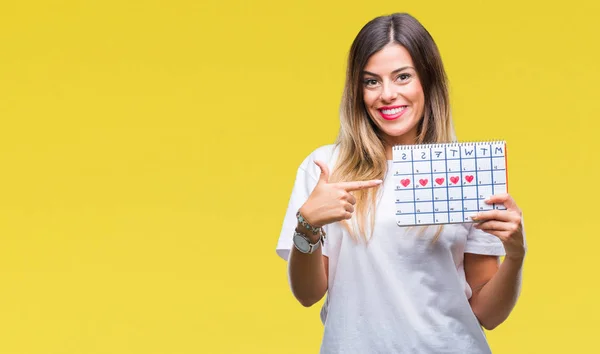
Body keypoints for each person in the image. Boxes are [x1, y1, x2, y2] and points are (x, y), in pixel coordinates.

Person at [275, 12, 526, 354]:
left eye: (403, 77)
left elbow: (488, 313)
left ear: (428, 81)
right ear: (357, 90)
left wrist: (514, 255)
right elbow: (308, 295)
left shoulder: (466, 170)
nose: (387, 94)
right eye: (371, 81)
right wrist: (306, 225)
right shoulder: (326, 169)